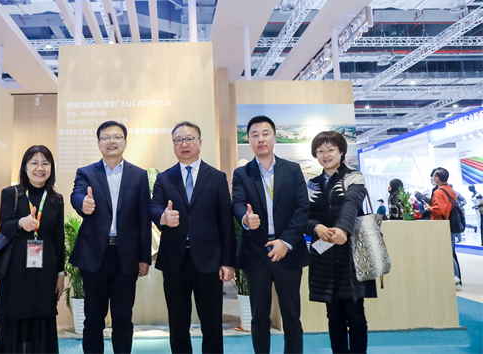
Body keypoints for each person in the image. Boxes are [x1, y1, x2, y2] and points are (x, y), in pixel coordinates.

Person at [151, 121, 235, 354]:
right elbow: (154, 206)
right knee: (178, 323)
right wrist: (162, 217)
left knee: (212, 323)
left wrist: (228, 262)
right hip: (174, 261)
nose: (184, 144)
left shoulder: (216, 177)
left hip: (209, 261)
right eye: (178, 140)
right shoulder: (164, 178)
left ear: (200, 142)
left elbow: (226, 222)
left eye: (189, 139)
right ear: (173, 145)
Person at [70, 121, 152, 354]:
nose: (112, 141)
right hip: (94, 255)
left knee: (123, 318)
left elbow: (144, 218)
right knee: (93, 318)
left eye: (117, 137)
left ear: (125, 142)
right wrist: (83, 203)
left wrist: (144, 256)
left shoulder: (138, 175)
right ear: (99, 143)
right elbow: (76, 195)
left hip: (126, 257)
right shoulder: (86, 172)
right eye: (106, 138)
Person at [231, 116, 310, 354]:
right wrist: (245, 219)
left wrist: (285, 242)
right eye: (254, 135)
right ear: (248, 140)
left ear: (275, 137)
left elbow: (302, 208)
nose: (260, 139)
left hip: (288, 252)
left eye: (265, 133)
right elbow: (237, 203)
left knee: (291, 316)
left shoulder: (292, 169)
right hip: (256, 252)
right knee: (259, 317)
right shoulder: (242, 173)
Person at [306, 131, 376, 354]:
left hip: (351, 257)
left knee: (355, 315)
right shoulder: (312, 184)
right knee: (333, 315)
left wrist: (343, 229)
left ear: (342, 151)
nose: (325, 155)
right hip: (325, 257)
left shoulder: (354, 177)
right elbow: (303, 216)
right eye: (320, 151)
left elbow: (351, 203)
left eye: (331, 149)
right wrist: (316, 227)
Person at [0, 145, 65, 354]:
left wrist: (60, 273)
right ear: (25, 167)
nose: (40, 168)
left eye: (45, 163)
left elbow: (58, 239)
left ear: (51, 168)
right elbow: (5, 227)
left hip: (45, 271)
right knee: (15, 318)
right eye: (34, 163)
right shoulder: (11, 194)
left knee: (42, 319)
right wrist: (20, 223)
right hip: (15, 271)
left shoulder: (56, 199)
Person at [423, 167, 462, 291]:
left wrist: (429, 207)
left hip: (441, 224)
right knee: (450, 252)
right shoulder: (449, 189)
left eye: (434, 176)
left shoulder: (439, 192)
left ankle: (455, 279)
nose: (432, 178)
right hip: (449, 224)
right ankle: (455, 279)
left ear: (438, 178)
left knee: (447, 253)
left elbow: (439, 210)